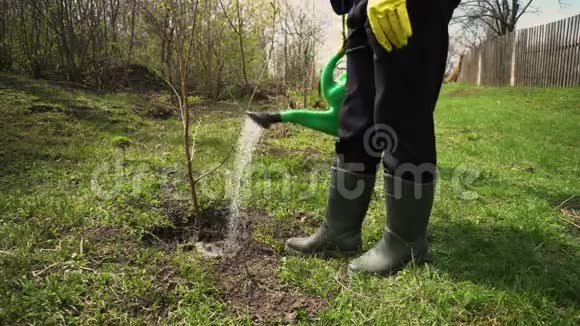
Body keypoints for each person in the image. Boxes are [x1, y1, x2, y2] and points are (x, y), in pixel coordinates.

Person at [285, 0, 461, 276]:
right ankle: (340, 231)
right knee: (356, 118)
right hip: (363, 10)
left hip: (409, 6)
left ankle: (405, 241)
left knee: (402, 113)